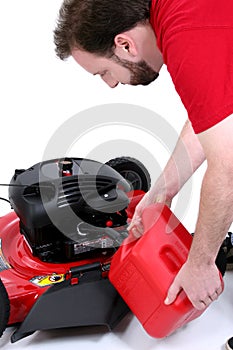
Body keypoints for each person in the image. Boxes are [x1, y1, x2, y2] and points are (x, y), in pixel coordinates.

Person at [53, 0, 233, 347]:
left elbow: (227, 166)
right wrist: (162, 191)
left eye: (103, 72)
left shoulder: (186, 35)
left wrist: (200, 263)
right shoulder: (178, 13)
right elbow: (216, 113)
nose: (109, 84)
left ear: (124, 45)